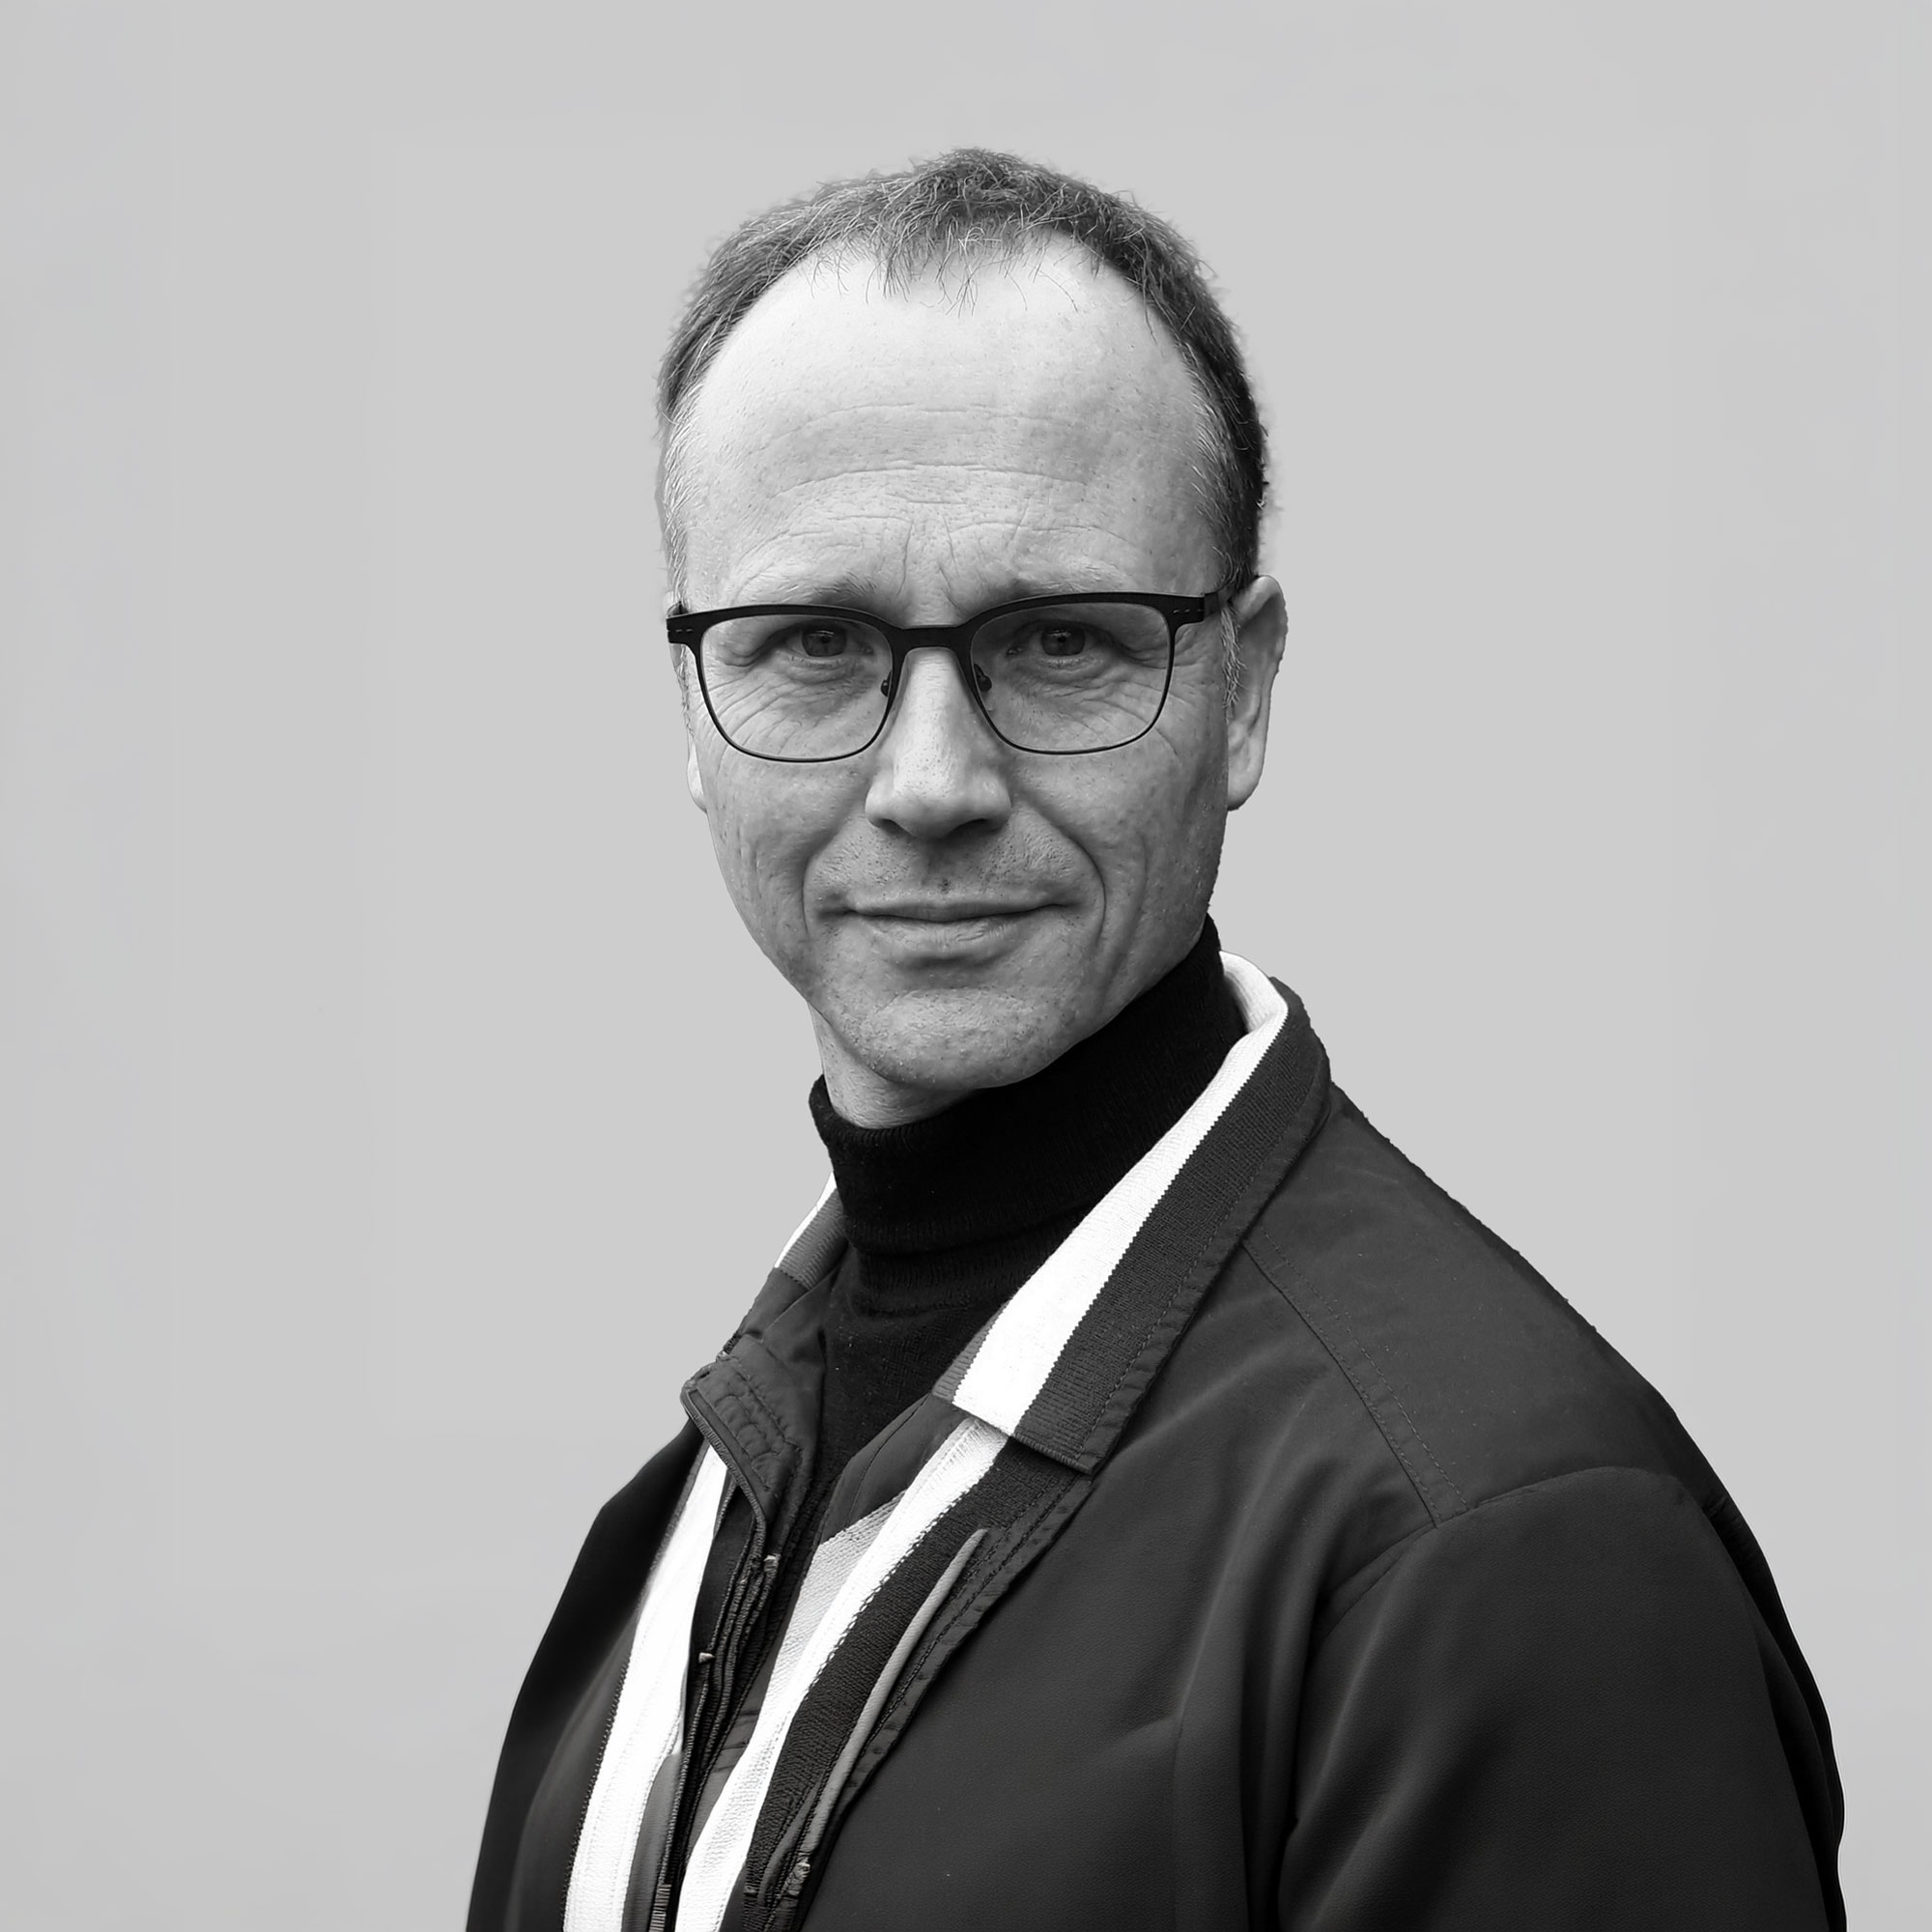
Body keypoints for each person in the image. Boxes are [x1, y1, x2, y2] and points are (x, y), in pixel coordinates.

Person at [466, 150, 1843, 1932]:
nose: (932, 783)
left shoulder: (1497, 1549)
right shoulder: (705, 1511)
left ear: (1243, 692)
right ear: (692, 706)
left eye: (1061, 642)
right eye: (812, 643)